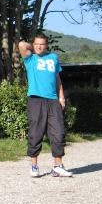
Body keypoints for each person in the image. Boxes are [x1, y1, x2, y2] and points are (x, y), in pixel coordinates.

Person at [18, 33, 72, 177]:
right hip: (36, 100)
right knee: (36, 133)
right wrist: (33, 47)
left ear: (46, 45)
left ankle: (57, 166)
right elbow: (22, 45)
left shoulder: (53, 58)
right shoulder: (30, 58)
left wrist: (61, 97)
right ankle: (34, 166)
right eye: (37, 44)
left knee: (58, 132)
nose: (39, 46)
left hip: (53, 100)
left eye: (42, 44)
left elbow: (58, 79)